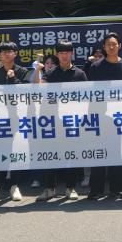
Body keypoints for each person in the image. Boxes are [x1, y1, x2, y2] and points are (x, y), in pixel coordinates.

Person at [88, 33, 122, 200]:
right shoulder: (95, 67)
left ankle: (117, 189)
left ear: (119, 46)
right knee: (99, 153)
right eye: (108, 44)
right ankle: (96, 189)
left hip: (121, 116)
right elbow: (91, 93)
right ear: (104, 47)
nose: (111, 47)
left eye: (114, 44)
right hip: (100, 116)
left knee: (117, 153)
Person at [0, 42, 32, 203]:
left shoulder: (23, 71)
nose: (6, 54)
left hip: (17, 118)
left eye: (10, 51)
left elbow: (27, 92)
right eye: (3, 52)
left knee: (15, 152)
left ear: (15, 53)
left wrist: (13, 78)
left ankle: (14, 186)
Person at [38, 41, 89, 201]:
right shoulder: (50, 73)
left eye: (67, 52)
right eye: (61, 53)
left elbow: (86, 97)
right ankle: (49, 189)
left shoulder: (80, 74)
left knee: (71, 155)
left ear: (72, 53)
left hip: (72, 121)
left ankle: (70, 188)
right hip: (52, 121)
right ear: (57, 54)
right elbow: (41, 92)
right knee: (50, 155)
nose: (64, 55)